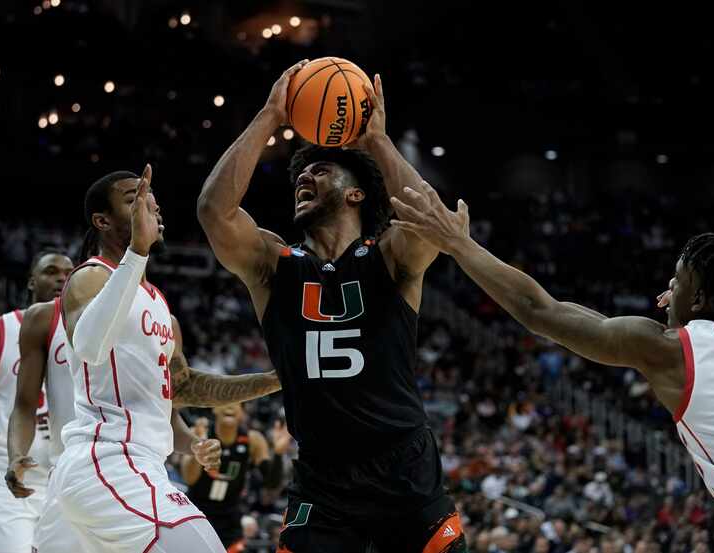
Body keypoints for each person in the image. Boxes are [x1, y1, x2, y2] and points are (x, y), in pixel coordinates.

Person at [390, 180, 714, 553]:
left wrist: (459, 244)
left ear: (702, 299)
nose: (668, 285)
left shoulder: (670, 349)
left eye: (678, 278)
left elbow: (540, 311)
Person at [197, 61, 466, 552]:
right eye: (301, 173)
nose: (305, 177)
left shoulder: (391, 254)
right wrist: (268, 116)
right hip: (323, 476)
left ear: (356, 193)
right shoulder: (273, 263)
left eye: (321, 169)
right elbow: (214, 212)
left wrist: (377, 143)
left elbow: (435, 225)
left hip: (403, 466)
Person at [49, 166, 284, 553]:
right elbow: (89, 346)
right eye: (135, 200)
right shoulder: (91, 276)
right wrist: (136, 252)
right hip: (108, 460)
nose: (151, 208)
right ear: (102, 220)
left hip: (136, 466)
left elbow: (184, 387)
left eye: (153, 203)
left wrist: (275, 379)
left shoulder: (160, 306)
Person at [0, 251, 73, 553]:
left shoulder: (86, 336)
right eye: (51, 271)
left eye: (68, 272)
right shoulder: (0, 331)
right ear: (31, 282)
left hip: (66, 478)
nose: (62, 278)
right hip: (6, 477)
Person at [181, 403, 289, 548]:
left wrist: (278, 454)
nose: (230, 405)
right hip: (197, 512)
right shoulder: (201, 433)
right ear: (214, 407)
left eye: (237, 403)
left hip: (230, 518)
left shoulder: (253, 440)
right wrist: (198, 448)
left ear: (242, 412)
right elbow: (189, 478)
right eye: (225, 400)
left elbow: (272, 484)